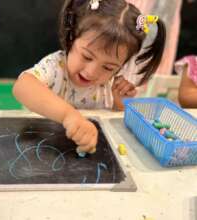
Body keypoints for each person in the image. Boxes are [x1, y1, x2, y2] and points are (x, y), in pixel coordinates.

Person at [13, 0, 166, 154]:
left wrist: (119, 105)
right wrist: (69, 115)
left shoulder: (111, 83)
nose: (92, 72)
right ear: (71, 37)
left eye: (108, 67)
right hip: (41, 148)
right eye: (87, 56)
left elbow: (107, 122)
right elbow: (22, 87)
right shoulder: (55, 67)